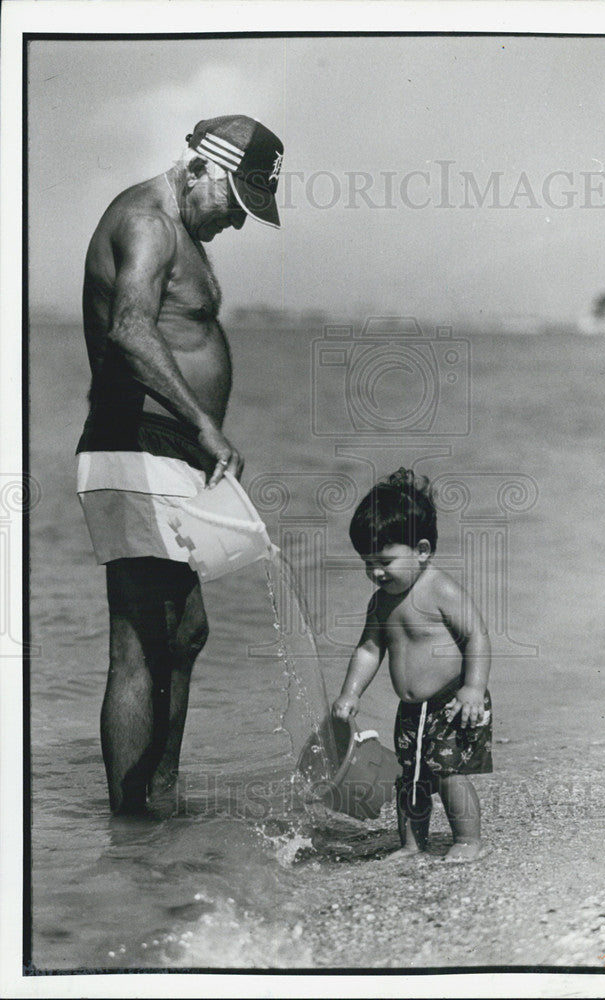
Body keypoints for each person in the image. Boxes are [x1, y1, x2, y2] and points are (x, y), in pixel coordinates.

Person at [76, 115, 284, 814]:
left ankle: (161, 802)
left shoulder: (182, 229)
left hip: (169, 455)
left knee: (186, 632)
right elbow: (130, 328)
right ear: (201, 169)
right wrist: (203, 424)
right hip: (134, 444)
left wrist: (198, 443)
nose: (239, 224)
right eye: (236, 204)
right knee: (139, 641)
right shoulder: (148, 223)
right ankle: (133, 826)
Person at [332, 469, 493, 862]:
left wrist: (472, 688)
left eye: (385, 560)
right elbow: (370, 648)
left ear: (421, 550)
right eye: (367, 563)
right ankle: (411, 844)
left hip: (453, 703)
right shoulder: (381, 602)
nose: (376, 572)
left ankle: (469, 840)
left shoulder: (439, 589)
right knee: (412, 777)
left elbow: (477, 636)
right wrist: (350, 693)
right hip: (412, 712)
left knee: (451, 774)